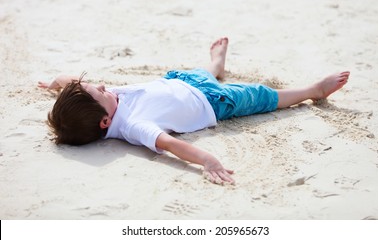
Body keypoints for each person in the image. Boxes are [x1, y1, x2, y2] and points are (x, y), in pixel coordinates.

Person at [38, 37, 350, 185]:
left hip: (183, 80)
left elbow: (74, 82)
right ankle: (313, 91)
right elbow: (170, 145)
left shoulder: (102, 103)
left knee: (205, 72)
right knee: (260, 95)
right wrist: (208, 160)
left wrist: (57, 83)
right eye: (100, 91)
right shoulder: (132, 125)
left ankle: (216, 65)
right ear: (106, 121)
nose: (104, 86)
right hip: (214, 103)